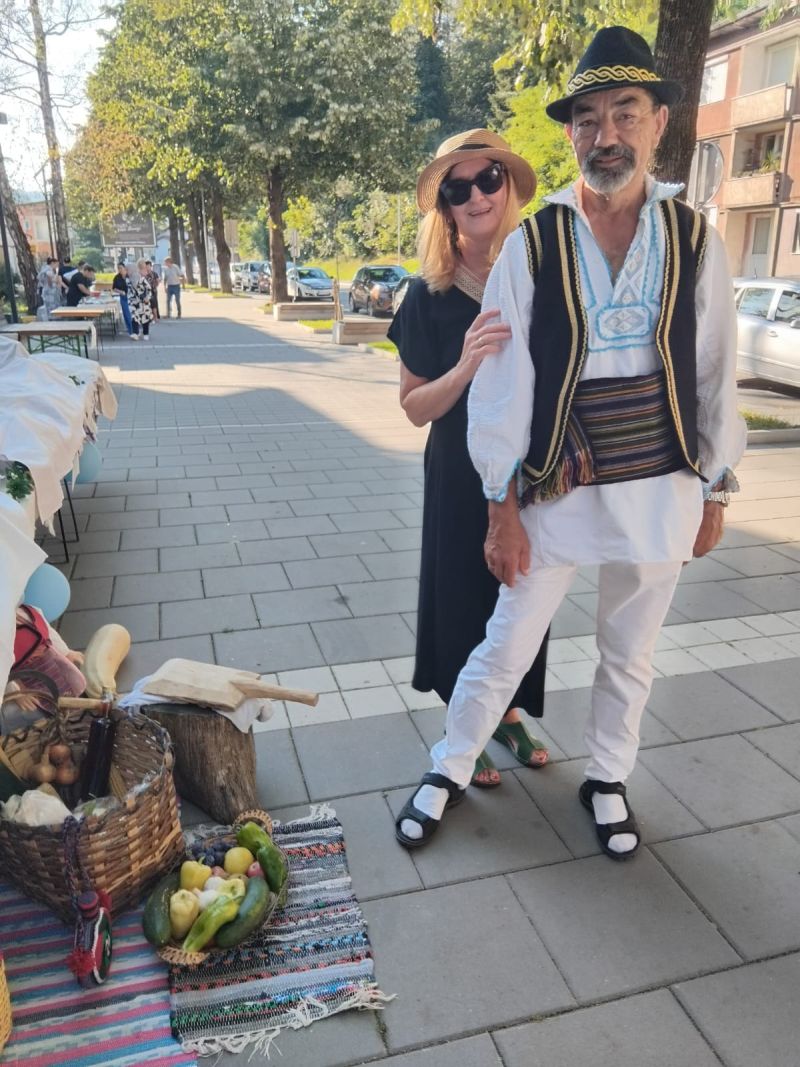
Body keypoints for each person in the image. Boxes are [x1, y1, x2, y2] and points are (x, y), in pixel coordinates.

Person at [395, 27, 746, 860]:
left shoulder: (694, 238)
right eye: (587, 119)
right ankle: (450, 762)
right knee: (508, 635)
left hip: (661, 482)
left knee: (632, 647)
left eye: (625, 112)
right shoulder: (535, 241)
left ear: (659, 122)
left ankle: (609, 776)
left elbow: (713, 369)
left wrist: (718, 486)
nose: (606, 134)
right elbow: (504, 385)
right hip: (560, 477)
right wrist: (500, 507)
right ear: (569, 135)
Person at [388, 130, 551, 790]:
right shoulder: (428, 295)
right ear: (445, 208)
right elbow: (413, 406)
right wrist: (463, 367)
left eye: (489, 179)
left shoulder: (538, 275)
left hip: (530, 467)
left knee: (519, 592)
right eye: (459, 189)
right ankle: (465, 725)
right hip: (459, 472)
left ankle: (505, 712)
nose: (477, 196)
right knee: (461, 591)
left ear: (507, 187)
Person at [128, 258, 154, 341]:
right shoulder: (135, 276)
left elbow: (149, 289)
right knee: (135, 317)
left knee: (144, 317)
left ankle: (145, 333)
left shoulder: (143, 279)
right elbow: (133, 289)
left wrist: (147, 298)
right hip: (135, 301)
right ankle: (136, 333)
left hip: (142, 302)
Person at [112, 261, 133, 335]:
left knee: (131, 313)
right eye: (118, 268)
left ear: (124, 268)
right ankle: (130, 330)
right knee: (126, 314)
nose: (120, 270)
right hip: (123, 297)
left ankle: (133, 329)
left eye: (121, 268)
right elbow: (114, 288)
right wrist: (120, 292)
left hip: (131, 296)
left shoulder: (129, 275)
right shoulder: (117, 277)